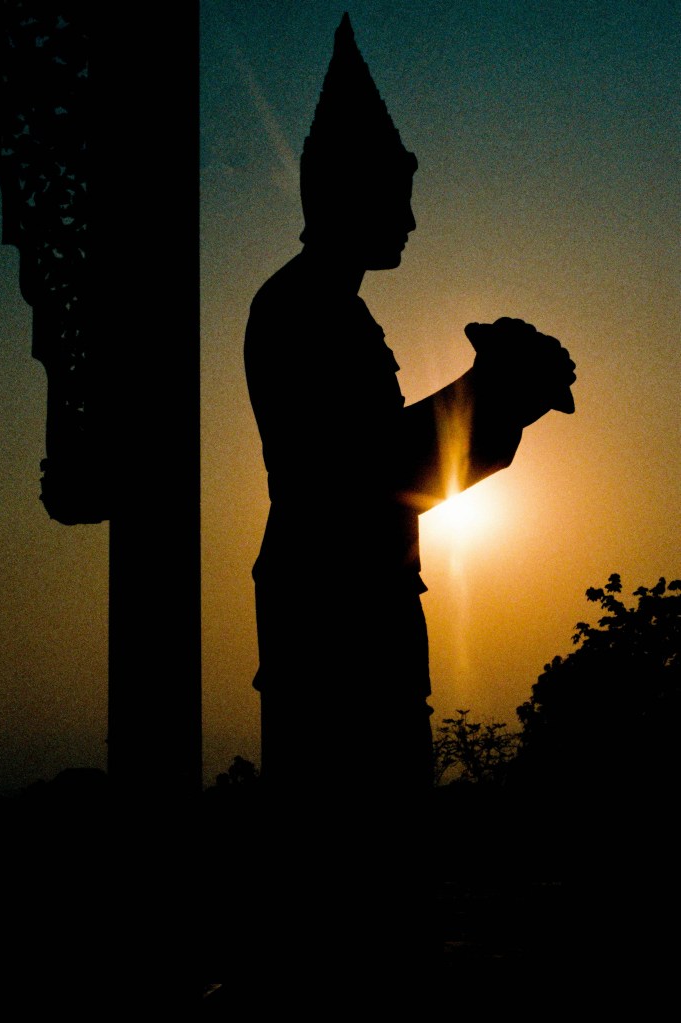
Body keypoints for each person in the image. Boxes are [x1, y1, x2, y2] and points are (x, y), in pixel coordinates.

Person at [243, 13, 575, 995]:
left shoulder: (331, 311)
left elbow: (383, 475)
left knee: (379, 827)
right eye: (395, 196)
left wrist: (495, 399)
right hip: (331, 605)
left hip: (356, 597)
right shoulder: (301, 311)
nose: (409, 221)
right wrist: (491, 392)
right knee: (349, 837)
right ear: (342, 192)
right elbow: (350, 477)